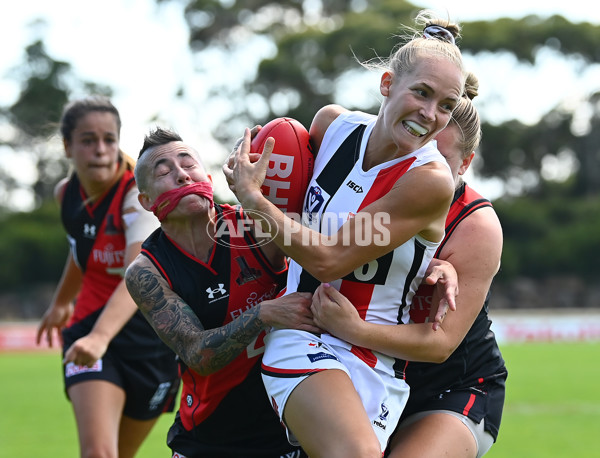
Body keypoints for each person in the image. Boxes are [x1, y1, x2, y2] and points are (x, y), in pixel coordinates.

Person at [226, 11, 466, 458]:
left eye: (446, 105)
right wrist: (256, 196)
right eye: (421, 92)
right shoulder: (329, 127)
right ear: (387, 84)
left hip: (377, 364)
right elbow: (304, 236)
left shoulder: (429, 178)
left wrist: (253, 200)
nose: (430, 115)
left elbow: (331, 256)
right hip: (303, 335)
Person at [310, 73, 508, 458]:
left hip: (446, 388)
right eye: (419, 149)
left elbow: (439, 345)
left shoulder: (475, 225)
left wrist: (355, 328)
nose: (423, 165)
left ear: (466, 163)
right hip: (363, 368)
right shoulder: (365, 175)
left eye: (441, 158)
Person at [124, 127, 319, 458]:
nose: (182, 175)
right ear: (146, 201)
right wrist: (264, 313)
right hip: (210, 438)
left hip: (290, 428)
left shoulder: (257, 227)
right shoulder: (146, 271)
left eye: (188, 164)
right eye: (163, 171)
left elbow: (332, 239)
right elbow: (199, 355)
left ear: (209, 177)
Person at [36, 96, 180, 458]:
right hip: (91, 330)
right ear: (68, 146)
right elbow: (79, 248)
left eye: (108, 139)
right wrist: (62, 303)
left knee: (122, 453)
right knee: (99, 453)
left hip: (151, 340)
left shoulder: (136, 195)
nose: (100, 149)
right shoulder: (65, 194)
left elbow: (140, 277)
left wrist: (101, 335)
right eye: (87, 140)